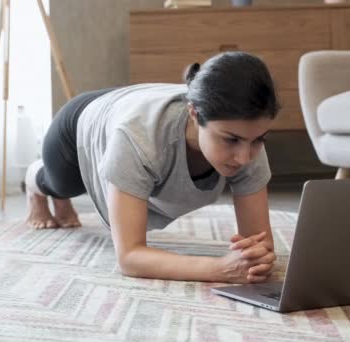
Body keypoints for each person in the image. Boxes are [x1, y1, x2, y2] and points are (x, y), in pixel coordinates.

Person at [24, 51, 280, 284]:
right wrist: (219, 269)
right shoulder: (139, 138)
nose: (245, 158)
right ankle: (35, 184)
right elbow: (130, 257)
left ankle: (59, 199)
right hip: (79, 123)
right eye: (230, 140)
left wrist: (257, 259)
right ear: (194, 114)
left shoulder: (244, 132)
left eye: (259, 139)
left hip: (129, 106)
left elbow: (257, 244)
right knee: (61, 185)